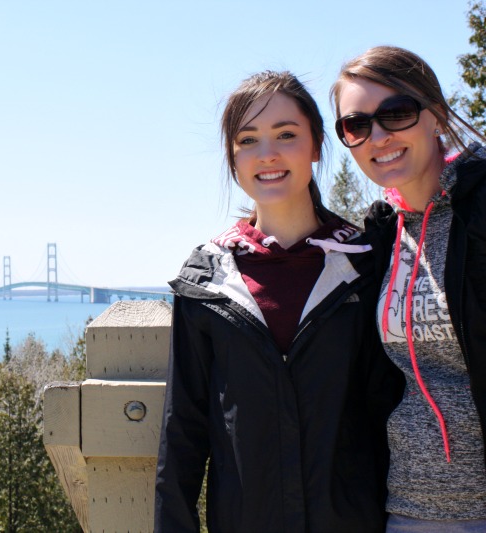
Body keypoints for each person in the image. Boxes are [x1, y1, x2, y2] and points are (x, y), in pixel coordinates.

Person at [154, 70, 403, 532]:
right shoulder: (207, 278)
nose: (266, 154)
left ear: (315, 146)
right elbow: (182, 433)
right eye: (247, 140)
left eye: (286, 134)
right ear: (233, 160)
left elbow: (392, 411)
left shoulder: (367, 266)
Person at [332, 45, 486, 531]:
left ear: (437, 116)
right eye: (356, 126)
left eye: (396, 113)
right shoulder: (380, 238)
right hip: (404, 511)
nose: (378, 136)